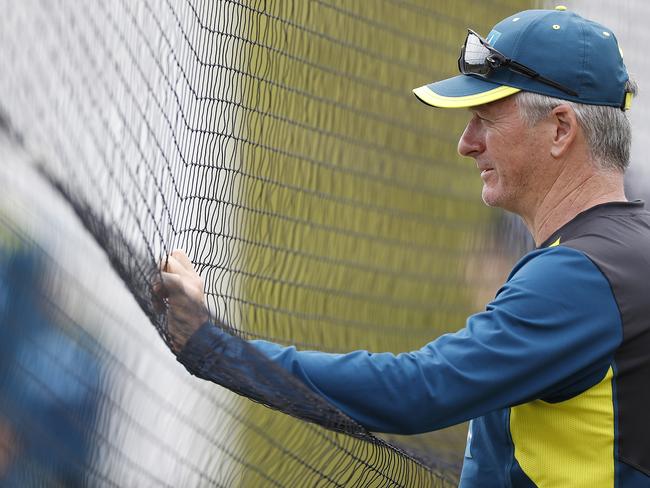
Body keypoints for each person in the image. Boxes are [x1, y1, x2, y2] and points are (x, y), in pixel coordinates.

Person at [155, 7, 650, 486]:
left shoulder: (579, 276)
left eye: (486, 117)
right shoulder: (627, 249)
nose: (467, 142)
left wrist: (213, 348)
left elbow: (417, 390)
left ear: (561, 129)